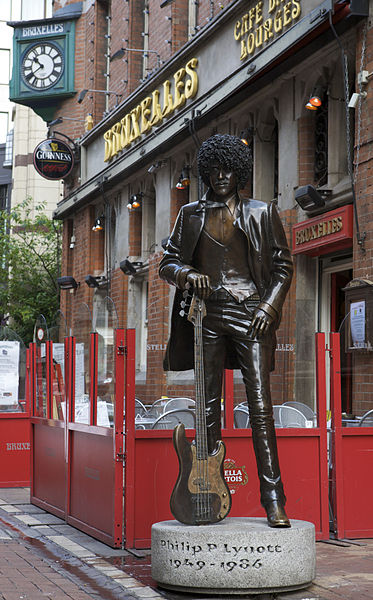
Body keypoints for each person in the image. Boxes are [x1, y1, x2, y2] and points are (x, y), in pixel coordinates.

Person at [159, 134, 293, 527]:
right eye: (214, 169)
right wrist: (187, 273)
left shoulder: (261, 212)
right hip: (206, 317)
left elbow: (283, 267)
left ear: (240, 173)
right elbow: (168, 263)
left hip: (251, 313)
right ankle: (210, 491)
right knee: (207, 407)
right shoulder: (190, 214)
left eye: (228, 169)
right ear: (205, 171)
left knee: (261, 407)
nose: (220, 176)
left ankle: (274, 500)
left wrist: (269, 305)